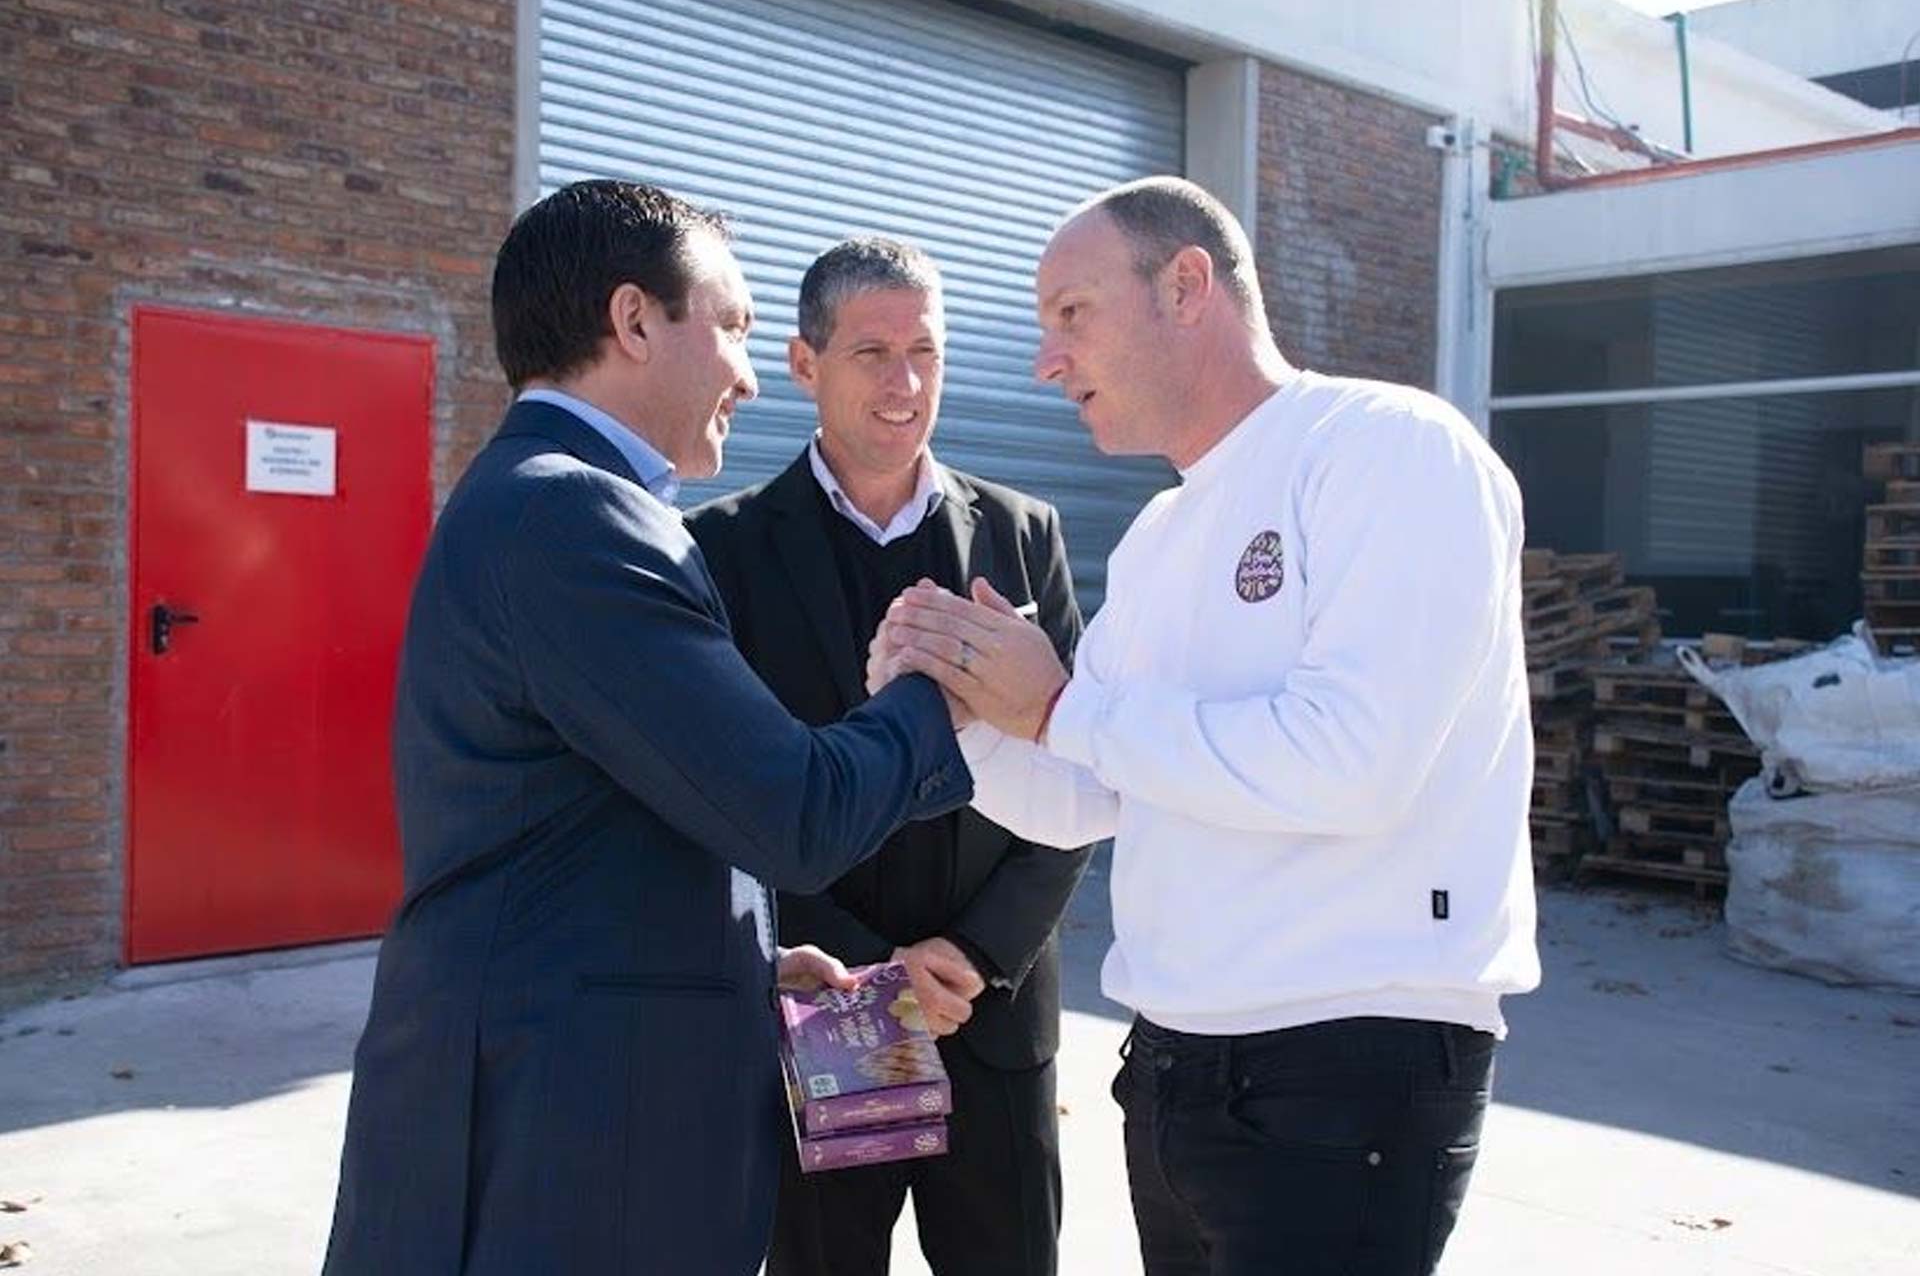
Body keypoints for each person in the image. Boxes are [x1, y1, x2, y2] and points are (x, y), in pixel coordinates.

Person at [870, 176, 1541, 1276]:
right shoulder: (1163, 527)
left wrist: (1055, 704)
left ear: (1187, 285)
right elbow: (1089, 787)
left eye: (1071, 314)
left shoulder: (1389, 449)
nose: (1047, 360)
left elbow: (1353, 765)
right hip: (1179, 1068)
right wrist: (960, 711)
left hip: (1347, 1067)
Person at [321, 181, 972, 1276]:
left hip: (559, 1110)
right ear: (633, 321)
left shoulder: (544, 498)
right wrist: (940, 680)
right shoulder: (575, 513)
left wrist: (743, 957)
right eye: (732, 326)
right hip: (560, 1146)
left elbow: (580, 823)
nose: (751, 373)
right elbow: (794, 811)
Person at [687, 237, 1091, 1276]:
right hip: (828, 1007)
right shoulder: (723, 551)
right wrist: (872, 974)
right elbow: (716, 792)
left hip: (989, 1013)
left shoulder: (1021, 533)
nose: (906, 382)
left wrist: (979, 952)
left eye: (926, 349)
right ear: (804, 362)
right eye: (872, 350)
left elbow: (1081, 769)